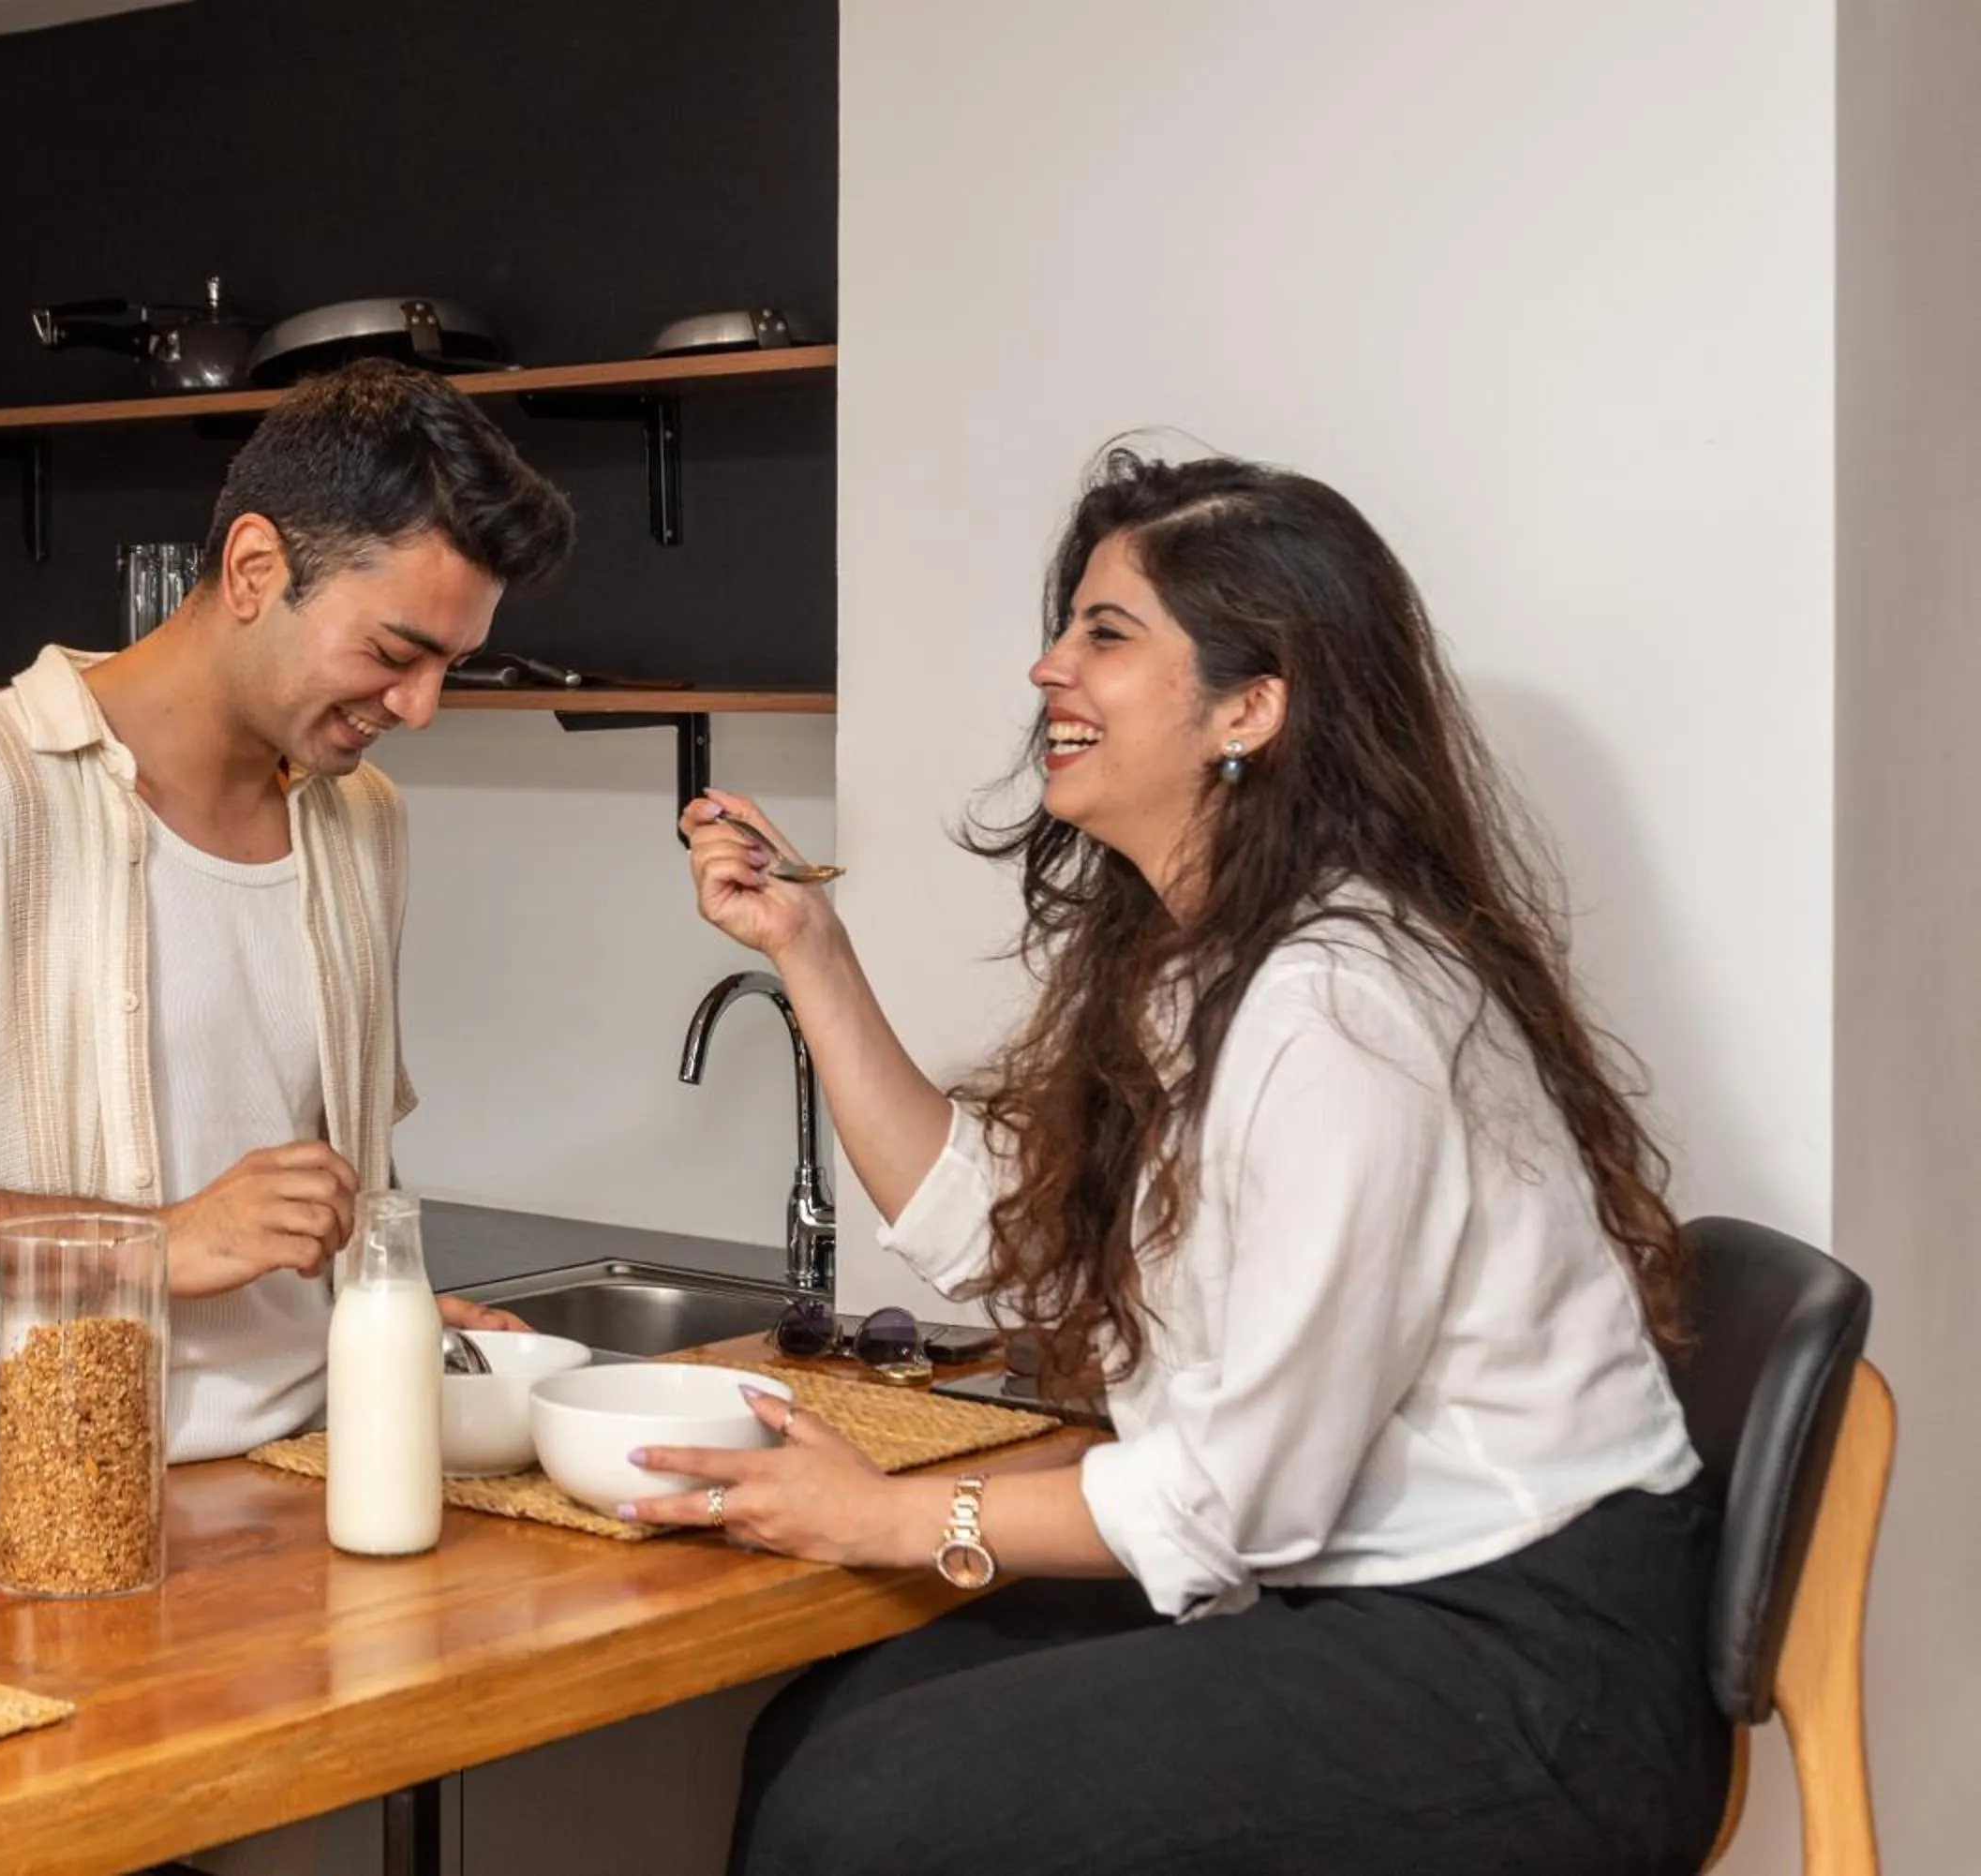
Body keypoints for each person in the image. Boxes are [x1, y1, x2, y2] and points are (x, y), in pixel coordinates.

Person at [633, 451, 1728, 1874]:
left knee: (864, 1815)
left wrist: (895, 1514)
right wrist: (811, 950)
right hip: (1350, 1592)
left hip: (1531, 1672)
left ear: (1250, 706)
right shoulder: (1202, 968)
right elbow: (1009, 1239)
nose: (1046, 669)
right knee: (822, 1732)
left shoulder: (1338, 1010)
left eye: (1105, 632)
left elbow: (1240, 1500)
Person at [0, 358, 573, 1519]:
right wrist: (156, 1243)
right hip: (45, 1542)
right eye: (393, 652)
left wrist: (391, 1310)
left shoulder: (363, 824)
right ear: (252, 569)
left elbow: (324, 1174)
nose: (420, 707)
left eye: (450, 667)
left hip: (323, 1493)